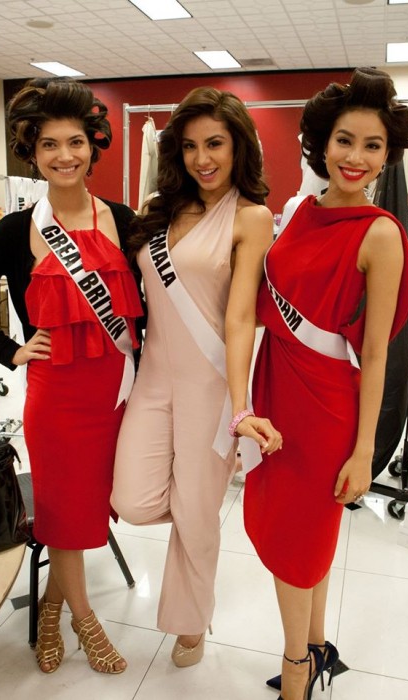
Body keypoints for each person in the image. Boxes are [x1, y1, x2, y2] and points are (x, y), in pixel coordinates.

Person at [229, 67, 408, 700]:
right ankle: (314, 646)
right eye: (345, 140)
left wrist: (365, 452)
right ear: (323, 144)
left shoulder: (381, 234)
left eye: (372, 145)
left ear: (387, 156)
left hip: (326, 407)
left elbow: (377, 353)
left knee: (297, 539)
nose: (356, 157)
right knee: (303, 536)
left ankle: (295, 670)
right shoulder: (300, 213)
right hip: (277, 386)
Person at [0, 77, 144, 674]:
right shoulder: (14, 230)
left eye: (75, 142)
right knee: (65, 513)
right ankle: (84, 621)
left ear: (93, 147)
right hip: (57, 400)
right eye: (49, 144)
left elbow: (153, 308)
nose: (64, 155)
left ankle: (51, 606)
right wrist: (12, 351)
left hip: (119, 394)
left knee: (88, 509)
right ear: (32, 151)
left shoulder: (124, 220)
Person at [111, 86, 282, 667]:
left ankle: (190, 620)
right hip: (154, 380)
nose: (202, 159)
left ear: (239, 148)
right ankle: (194, 507)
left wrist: (241, 405)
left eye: (215, 144)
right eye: (189, 146)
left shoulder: (252, 217)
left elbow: (240, 318)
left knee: (197, 514)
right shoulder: (160, 207)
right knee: (133, 501)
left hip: (211, 385)